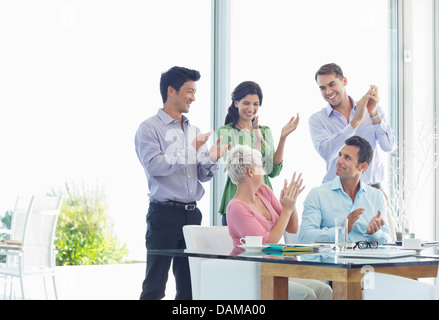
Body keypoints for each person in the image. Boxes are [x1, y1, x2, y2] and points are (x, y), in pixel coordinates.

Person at [134, 66, 229, 300]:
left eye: (195, 92)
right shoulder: (149, 128)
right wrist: (192, 149)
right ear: (171, 91)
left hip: (192, 216)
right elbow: (155, 166)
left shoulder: (193, 131)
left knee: (189, 289)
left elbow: (202, 175)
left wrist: (212, 157)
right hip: (163, 216)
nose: (194, 98)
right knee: (154, 287)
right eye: (189, 91)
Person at [225, 144, 332, 300]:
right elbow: (267, 245)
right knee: (307, 295)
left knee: (324, 290)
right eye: (261, 167)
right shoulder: (236, 208)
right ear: (251, 171)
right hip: (254, 273)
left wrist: (291, 203)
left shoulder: (265, 192)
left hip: (277, 268)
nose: (264, 172)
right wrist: (286, 210)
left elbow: (292, 227)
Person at [217, 81, 300, 225]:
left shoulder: (265, 131)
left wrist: (282, 138)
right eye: (246, 103)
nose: (251, 108)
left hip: (264, 200)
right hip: (238, 200)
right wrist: (257, 144)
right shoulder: (226, 132)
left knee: (266, 245)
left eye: (256, 104)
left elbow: (272, 171)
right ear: (236, 103)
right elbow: (237, 171)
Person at [309, 63, 396, 187]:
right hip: (336, 193)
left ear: (344, 81)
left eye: (332, 84)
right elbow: (326, 153)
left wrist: (373, 114)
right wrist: (355, 122)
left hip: (372, 190)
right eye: (322, 88)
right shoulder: (317, 120)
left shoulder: (371, 109)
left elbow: (389, 146)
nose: (328, 91)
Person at [298, 136, 392, 245]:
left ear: (362, 167)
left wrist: (375, 233)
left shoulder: (377, 197)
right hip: (332, 261)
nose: (339, 161)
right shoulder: (317, 195)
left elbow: (389, 239)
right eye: (340, 155)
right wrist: (341, 230)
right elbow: (305, 237)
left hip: (366, 261)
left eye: (347, 158)